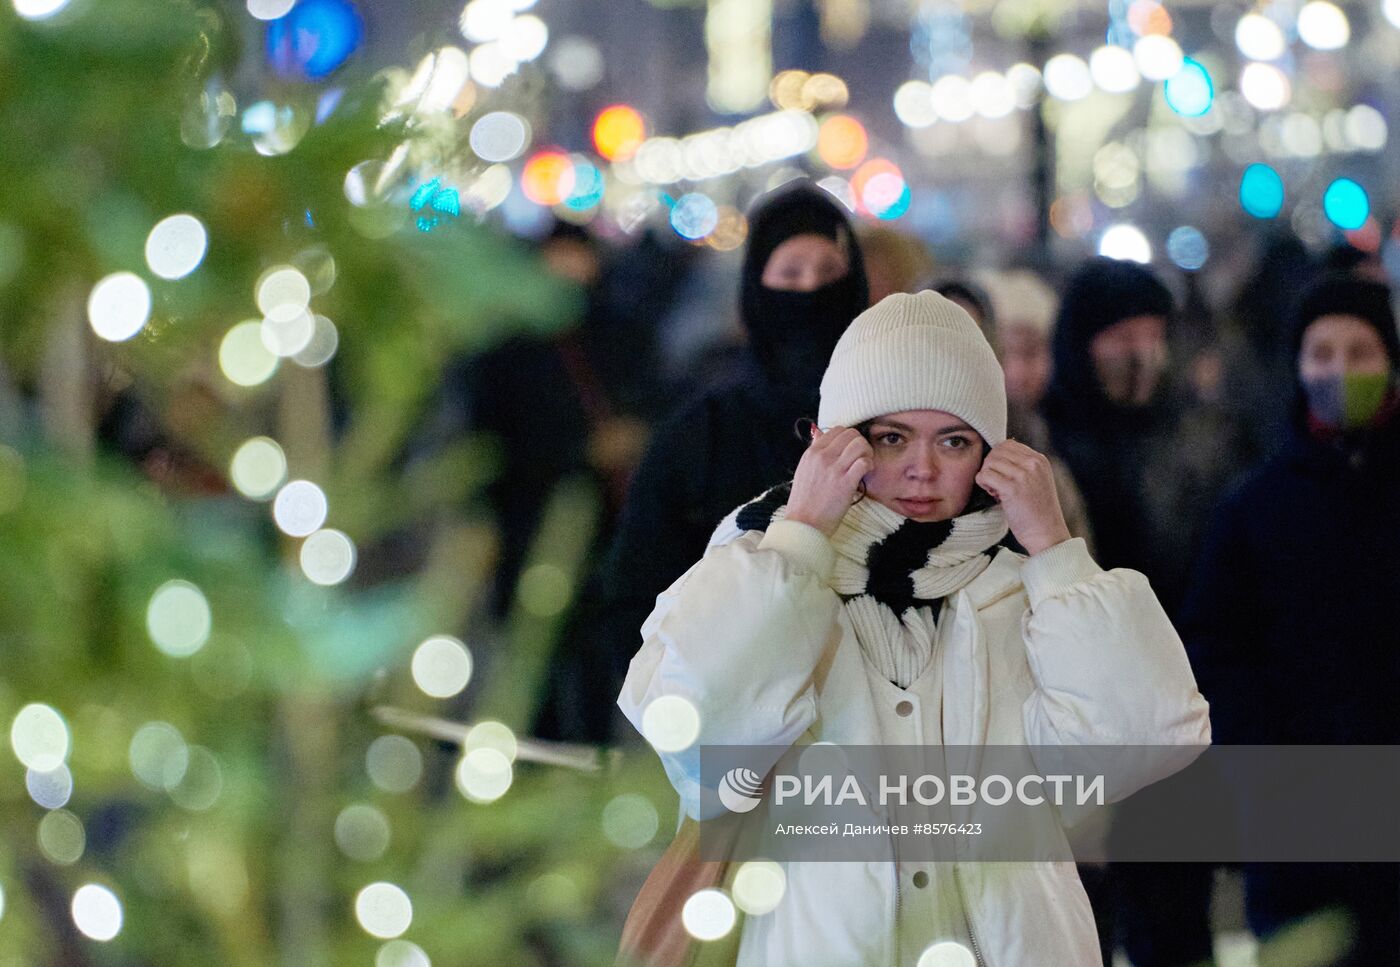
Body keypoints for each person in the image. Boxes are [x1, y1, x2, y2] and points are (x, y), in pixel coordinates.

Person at [619, 291, 1210, 966]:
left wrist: (1055, 548)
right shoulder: (760, 566)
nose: (922, 469)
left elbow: (1136, 750)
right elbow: (699, 746)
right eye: (889, 437)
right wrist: (800, 538)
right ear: (830, 441)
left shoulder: (1026, 587)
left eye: (953, 440)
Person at [595, 181, 868, 739]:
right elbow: (636, 591)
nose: (811, 290)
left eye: (828, 272)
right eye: (790, 274)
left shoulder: (893, 421)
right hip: (730, 725)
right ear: (757, 285)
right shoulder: (703, 433)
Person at [1182, 273, 1400, 965]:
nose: (1339, 370)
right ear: (1297, 365)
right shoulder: (1254, 506)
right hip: (1301, 814)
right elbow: (1216, 645)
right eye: (1321, 353)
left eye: (1359, 352)